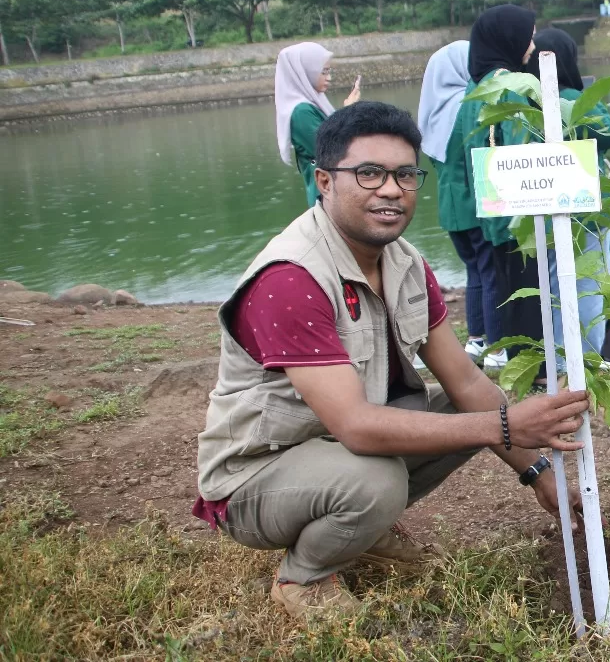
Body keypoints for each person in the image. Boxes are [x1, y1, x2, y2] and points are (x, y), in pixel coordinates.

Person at [193, 101, 588, 620]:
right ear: (324, 181)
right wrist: (505, 425)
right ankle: (304, 576)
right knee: (377, 483)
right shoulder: (290, 279)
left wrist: (539, 471)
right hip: (254, 479)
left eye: (405, 174)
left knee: (455, 407)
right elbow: (358, 428)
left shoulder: (405, 263)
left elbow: (467, 382)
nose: (391, 190)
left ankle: (362, 530)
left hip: (333, 448)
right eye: (369, 173)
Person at [525, 27, 610, 362]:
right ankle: (587, 362)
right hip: (585, 208)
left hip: (540, 206)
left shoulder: (525, 102)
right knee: (589, 284)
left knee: (554, 284)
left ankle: (561, 360)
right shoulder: (574, 100)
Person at [462, 4, 542, 376]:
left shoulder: (476, 89)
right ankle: (535, 369)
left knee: (509, 291)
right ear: (508, 38)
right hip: (518, 216)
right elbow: (524, 153)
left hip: (492, 211)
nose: (533, 42)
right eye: (529, 34)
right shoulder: (508, 87)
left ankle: (519, 368)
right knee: (527, 295)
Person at [419, 40, 502, 366]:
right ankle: (497, 348)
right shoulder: (466, 107)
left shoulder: (433, 111)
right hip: (476, 205)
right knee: (492, 273)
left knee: (475, 274)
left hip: (450, 209)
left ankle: (476, 340)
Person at [274, 42, 361, 207]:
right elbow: (330, 148)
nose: (329, 78)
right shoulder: (301, 112)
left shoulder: (312, 105)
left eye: (329, 71)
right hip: (326, 196)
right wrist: (348, 111)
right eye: (324, 72)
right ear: (306, 72)